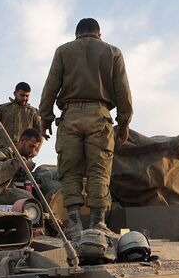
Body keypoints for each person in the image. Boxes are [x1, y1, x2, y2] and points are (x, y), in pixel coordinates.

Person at [38, 17, 133, 235]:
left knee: (69, 171)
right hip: (100, 116)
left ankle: (73, 223)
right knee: (99, 171)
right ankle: (97, 222)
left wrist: (45, 119)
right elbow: (123, 93)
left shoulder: (63, 51)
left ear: (76, 34)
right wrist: (124, 122)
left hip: (70, 116)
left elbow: (50, 88)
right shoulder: (113, 52)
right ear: (99, 34)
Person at [0, 82, 42, 149]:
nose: (24, 98)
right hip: (3, 151)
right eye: (22, 95)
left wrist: (36, 150)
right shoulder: (3, 109)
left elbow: (40, 133)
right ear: (15, 93)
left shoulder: (33, 112)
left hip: (24, 153)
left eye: (27, 96)